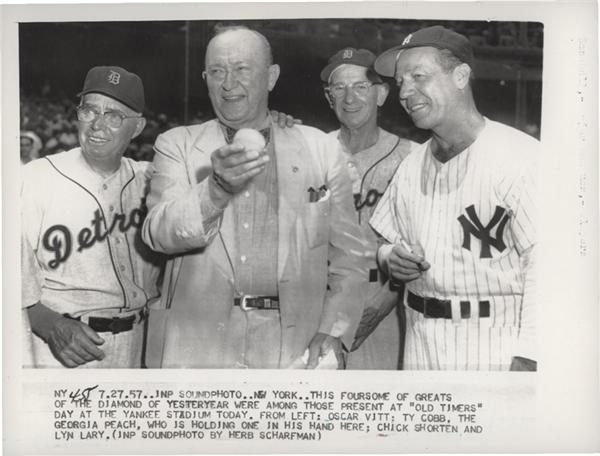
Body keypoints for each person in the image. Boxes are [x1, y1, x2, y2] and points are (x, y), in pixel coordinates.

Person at [142, 25, 368, 369]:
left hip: (293, 345)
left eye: (242, 69)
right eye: (217, 71)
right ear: (205, 78)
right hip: (198, 344)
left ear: (271, 77)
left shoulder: (321, 149)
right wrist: (214, 189)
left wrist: (334, 330)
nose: (228, 83)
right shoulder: (178, 145)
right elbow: (157, 233)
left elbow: (350, 259)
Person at [370, 26, 538, 371]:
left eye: (419, 76)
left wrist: (531, 357)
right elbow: (387, 244)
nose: (406, 91)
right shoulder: (411, 164)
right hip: (419, 343)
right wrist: (391, 259)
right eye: (401, 82)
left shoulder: (523, 158)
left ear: (461, 75)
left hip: (493, 345)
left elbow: (550, 268)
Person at [21, 66, 163, 368]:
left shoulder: (152, 179)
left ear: (137, 128)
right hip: (61, 350)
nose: (97, 125)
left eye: (114, 116)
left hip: (141, 347)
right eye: (89, 111)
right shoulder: (34, 178)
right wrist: (49, 325)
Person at [320, 47, 415, 369]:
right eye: (339, 88)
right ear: (328, 96)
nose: (350, 98)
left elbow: (420, 249)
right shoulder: (309, 151)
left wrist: (379, 307)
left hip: (385, 300)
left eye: (361, 87)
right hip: (318, 300)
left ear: (382, 94)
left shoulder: (411, 158)